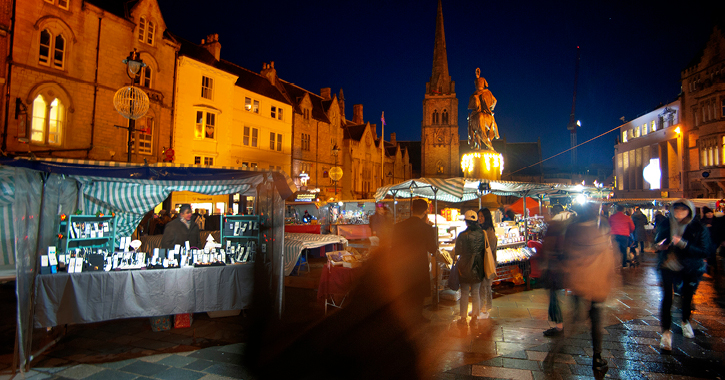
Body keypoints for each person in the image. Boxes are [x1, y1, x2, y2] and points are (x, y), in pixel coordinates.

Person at [558, 202, 616, 371]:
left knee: (575, 318)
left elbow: (566, 255)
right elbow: (610, 256)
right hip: (597, 284)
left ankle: (558, 347)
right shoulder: (602, 227)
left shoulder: (572, 229)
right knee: (596, 321)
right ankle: (597, 357)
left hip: (578, 282)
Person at [655, 199, 711, 351]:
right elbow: (658, 238)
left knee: (687, 296)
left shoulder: (698, 227)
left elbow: (704, 251)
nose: (678, 213)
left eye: (682, 210)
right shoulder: (666, 223)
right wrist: (660, 245)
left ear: (690, 211)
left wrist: (683, 244)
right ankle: (666, 334)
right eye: (676, 210)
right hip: (667, 264)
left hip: (689, 267)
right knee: (667, 297)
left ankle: (685, 321)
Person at [391, 199, 437, 320]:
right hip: (419, 265)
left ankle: (403, 316)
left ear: (411, 209)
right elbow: (432, 248)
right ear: (425, 211)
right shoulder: (427, 229)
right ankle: (417, 316)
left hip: (402, 264)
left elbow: (393, 247)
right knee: (418, 292)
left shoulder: (398, 227)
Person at [541, 204, 574, 337]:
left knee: (555, 297)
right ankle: (561, 323)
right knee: (557, 296)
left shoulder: (554, 226)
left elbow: (547, 247)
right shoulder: (567, 226)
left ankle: (559, 325)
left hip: (554, 268)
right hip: (563, 266)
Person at [454, 210, 486, 325]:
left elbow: (457, 251)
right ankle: (475, 318)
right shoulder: (482, 234)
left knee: (464, 292)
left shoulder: (462, 235)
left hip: (464, 267)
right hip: (478, 266)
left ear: (466, 222)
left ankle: (463, 318)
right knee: (476, 292)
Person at [475, 208, 497, 318]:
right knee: (481, 286)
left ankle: (484, 309)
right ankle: (480, 308)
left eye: (482, 216)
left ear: (487, 217)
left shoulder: (489, 230)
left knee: (485, 286)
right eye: (479, 216)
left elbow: (491, 247)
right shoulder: (480, 229)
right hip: (480, 261)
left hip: (487, 262)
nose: (480, 218)